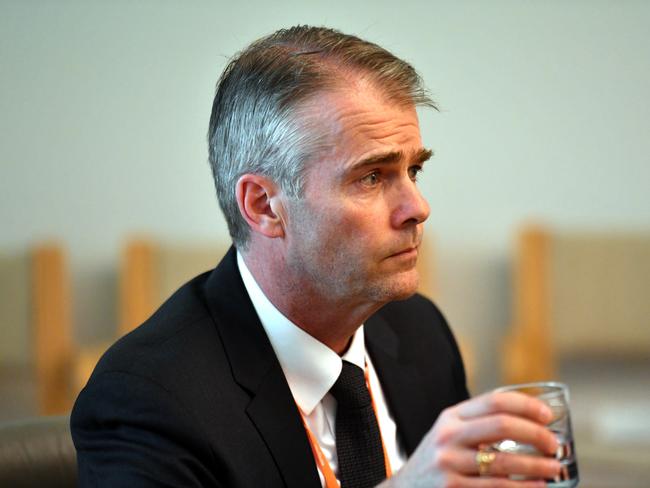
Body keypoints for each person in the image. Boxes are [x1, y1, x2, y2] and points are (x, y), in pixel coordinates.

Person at [71, 26, 561, 487]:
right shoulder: (149, 398)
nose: (418, 208)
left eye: (414, 170)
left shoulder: (420, 333)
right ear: (265, 206)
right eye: (372, 177)